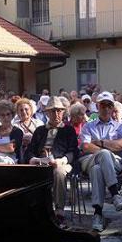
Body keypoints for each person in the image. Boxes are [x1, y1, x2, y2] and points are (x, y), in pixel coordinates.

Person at [24, 96, 78, 227]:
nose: (56, 114)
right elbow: (30, 151)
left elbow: (74, 151)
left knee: (58, 172)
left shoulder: (68, 130)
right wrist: (35, 160)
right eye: (53, 111)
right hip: (42, 162)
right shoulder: (40, 130)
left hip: (62, 163)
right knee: (26, 172)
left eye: (59, 111)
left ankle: (59, 211)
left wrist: (62, 161)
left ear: (63, 112)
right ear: (47, 113)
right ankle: (34, 210)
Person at [79, 91, 122, 232]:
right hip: (89, 159)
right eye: (103, 105)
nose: (106, 108)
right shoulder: (89, 126)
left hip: (115, 162)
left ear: (113, 107)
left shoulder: (120, 126)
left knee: (97, 169)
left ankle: (98, 214)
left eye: (109, 105)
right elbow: (86, 146)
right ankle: (115, 194)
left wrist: (100, 142)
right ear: (97, 107)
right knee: (104, 155)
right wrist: (108, 147)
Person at [12, 98, 44, 163]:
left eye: (26, 109)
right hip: (19, 154)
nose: (24, 112)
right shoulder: (14, 125)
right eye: (21, 110)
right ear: (17, 112)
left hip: (35, 152)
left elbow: (43, 139)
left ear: (31, 110)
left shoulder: (38, 123)